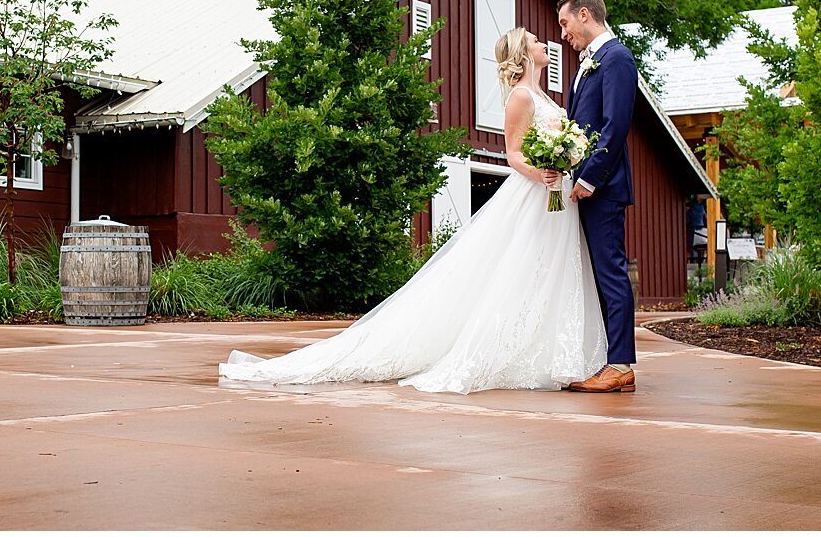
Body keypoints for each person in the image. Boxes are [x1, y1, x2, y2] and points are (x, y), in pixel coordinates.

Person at [219, 27, 606, 394]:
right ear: (523, 55)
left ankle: (551, 352)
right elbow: (514, 154)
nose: (545, 45)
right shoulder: (521, 97)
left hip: (556, 196)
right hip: (537, 192)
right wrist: (543, 172)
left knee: (549, 271)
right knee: (523, 268)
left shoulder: (546, 95)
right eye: (536, 41)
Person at [557, 0, 639, 393]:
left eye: (565, 23)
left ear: (584, 14)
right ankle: (608, 358)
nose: (563, 33)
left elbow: (615, 126)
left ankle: (621, 362)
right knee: (598, 274)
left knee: (611, 273)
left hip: (602, 188)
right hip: (585, 186)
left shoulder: (617, 59)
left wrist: (589, 178)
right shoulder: (588, 63)